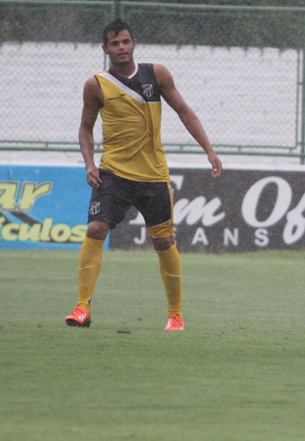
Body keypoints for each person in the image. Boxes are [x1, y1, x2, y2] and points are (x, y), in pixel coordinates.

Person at [65, 19, 223, 331]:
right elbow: (85, 127)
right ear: (105, 49)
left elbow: (184, 111)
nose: (121, 48)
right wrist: (89, 163)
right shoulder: (95, 85)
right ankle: (82, 307)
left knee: (164, 241)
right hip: (113, 174)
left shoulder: (157, 74)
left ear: (134, 43)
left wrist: (209, 149)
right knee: (96, 228)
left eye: (125, 42)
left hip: (153, 177)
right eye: (115, 44)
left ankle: (175, 314)